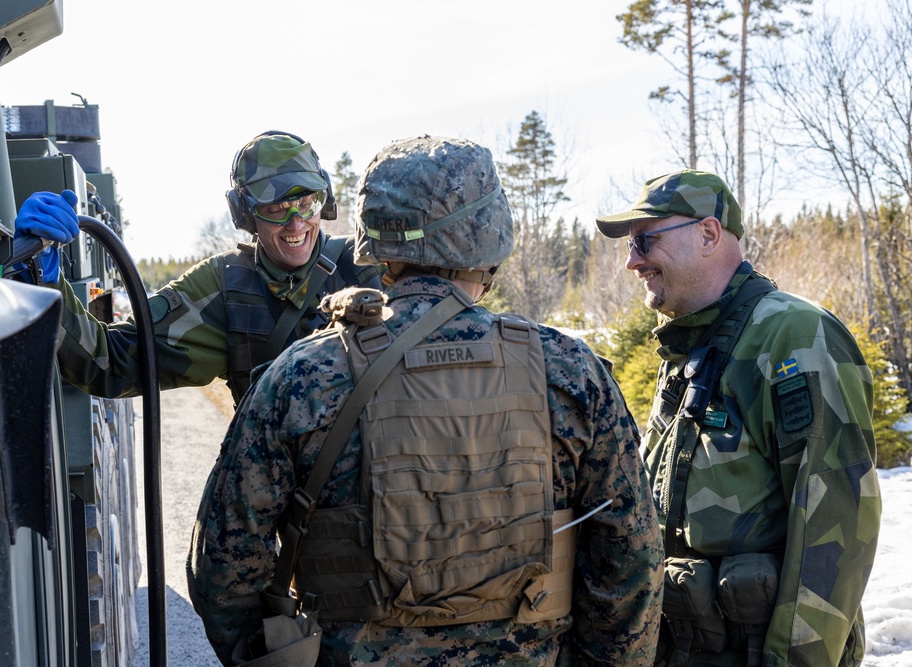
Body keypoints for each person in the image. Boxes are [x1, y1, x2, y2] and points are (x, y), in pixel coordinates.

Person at [187, 135, 664, 667]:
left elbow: (223, 570)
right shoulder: (571, 372)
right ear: (489, 234)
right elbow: (631, 559)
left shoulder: (302, 376)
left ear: (376, 240)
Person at [595, 169, 882, 667]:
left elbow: (837, 519)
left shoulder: (792, 335)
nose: (631, 261)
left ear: (708, 234)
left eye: (644, 241)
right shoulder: (689, 346)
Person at [13, 130, 382, 404]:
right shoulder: (223, 289)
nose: (297, 224)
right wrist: (45, 277)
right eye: (275, 209)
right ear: (246, 215)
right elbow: (110, 361)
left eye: (307, 203)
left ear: (325, 198)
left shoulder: (367, 263)